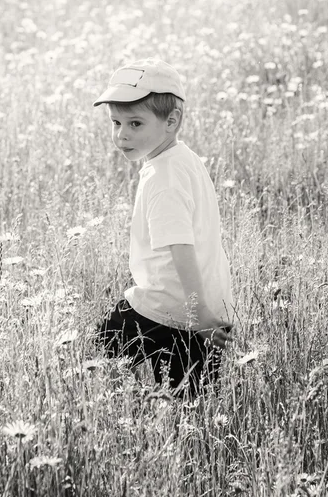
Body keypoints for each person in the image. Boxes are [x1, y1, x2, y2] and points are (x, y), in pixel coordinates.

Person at [92, 57, 234, 398]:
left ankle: (115, 419)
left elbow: (181, 248)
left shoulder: (163, 178)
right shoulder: (183, 159)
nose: (122, 135)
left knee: (92, 358)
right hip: (205, 308)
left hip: (165, 309)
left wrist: (197, 314)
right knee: (190, 409)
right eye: (116, 122)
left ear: (172, 121)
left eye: (136, 123)